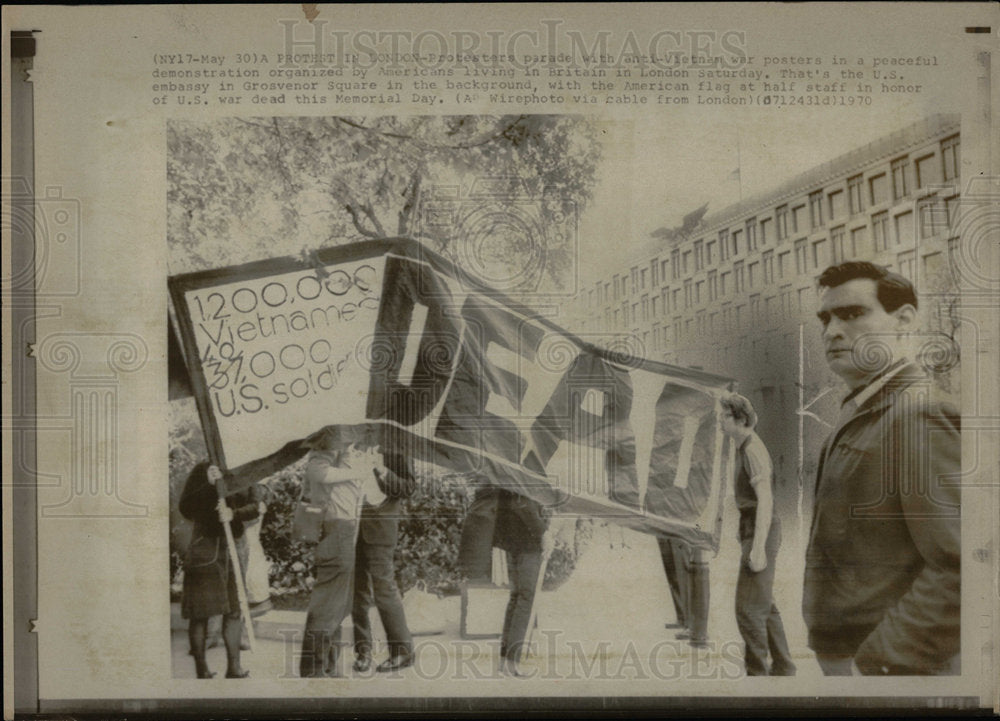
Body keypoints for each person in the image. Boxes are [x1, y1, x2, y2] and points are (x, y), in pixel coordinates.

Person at [804, 261, 960, 675]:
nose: (832, 330)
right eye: (826, 318)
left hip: (887, 671)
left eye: (852, 314)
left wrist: (881, 664)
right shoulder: (862, 408)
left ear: (904, 319)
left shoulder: (919, 412)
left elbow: (959, 565)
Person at [719, 393, 796, 676]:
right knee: (763, 603)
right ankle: (785, 667)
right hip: (752, 527)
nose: (719, 421)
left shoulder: (752, 449)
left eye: (724, 416)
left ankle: (758, 676)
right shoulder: (742, 445)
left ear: (740, 419)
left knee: (748, 609)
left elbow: (766, 501)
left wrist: (758, 547)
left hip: (761, 528)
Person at [299, 442, 384, 678]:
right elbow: (316, 470)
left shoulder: (354, 446)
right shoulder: (333, 437)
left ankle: (328, 665)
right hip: (336, 527)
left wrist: (374, 470)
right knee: (328, 604)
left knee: (339, 604)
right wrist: (357, 472)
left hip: (349, 530)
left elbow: (374, 498)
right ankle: (313, 670)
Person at [458, 484, 552, 677]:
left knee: (517, 597)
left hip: (512, 538)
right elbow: (522, 503)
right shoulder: (525, 461)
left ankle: (506, 659)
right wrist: (543, 532)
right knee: (526, 598)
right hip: (527, 539)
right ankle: (513, 662)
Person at [179, 461, 262, 679]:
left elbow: (256, 506)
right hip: (205, 549)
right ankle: (201, 669)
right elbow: (186, 508)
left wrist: (233, 514)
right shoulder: (203, 469)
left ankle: (234, 668)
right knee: (201, 613)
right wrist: (208, 484)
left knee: (234, 610)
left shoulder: (247, 472)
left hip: (234, 549)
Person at [351, 452, 418, 674]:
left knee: (384, 589)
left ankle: (402, 651)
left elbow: (408, 488)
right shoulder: (348, 439)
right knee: (357, 591)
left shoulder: (396, 446)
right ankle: (363, 652)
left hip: (379, 527)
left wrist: (382, 470)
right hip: (349, 526)